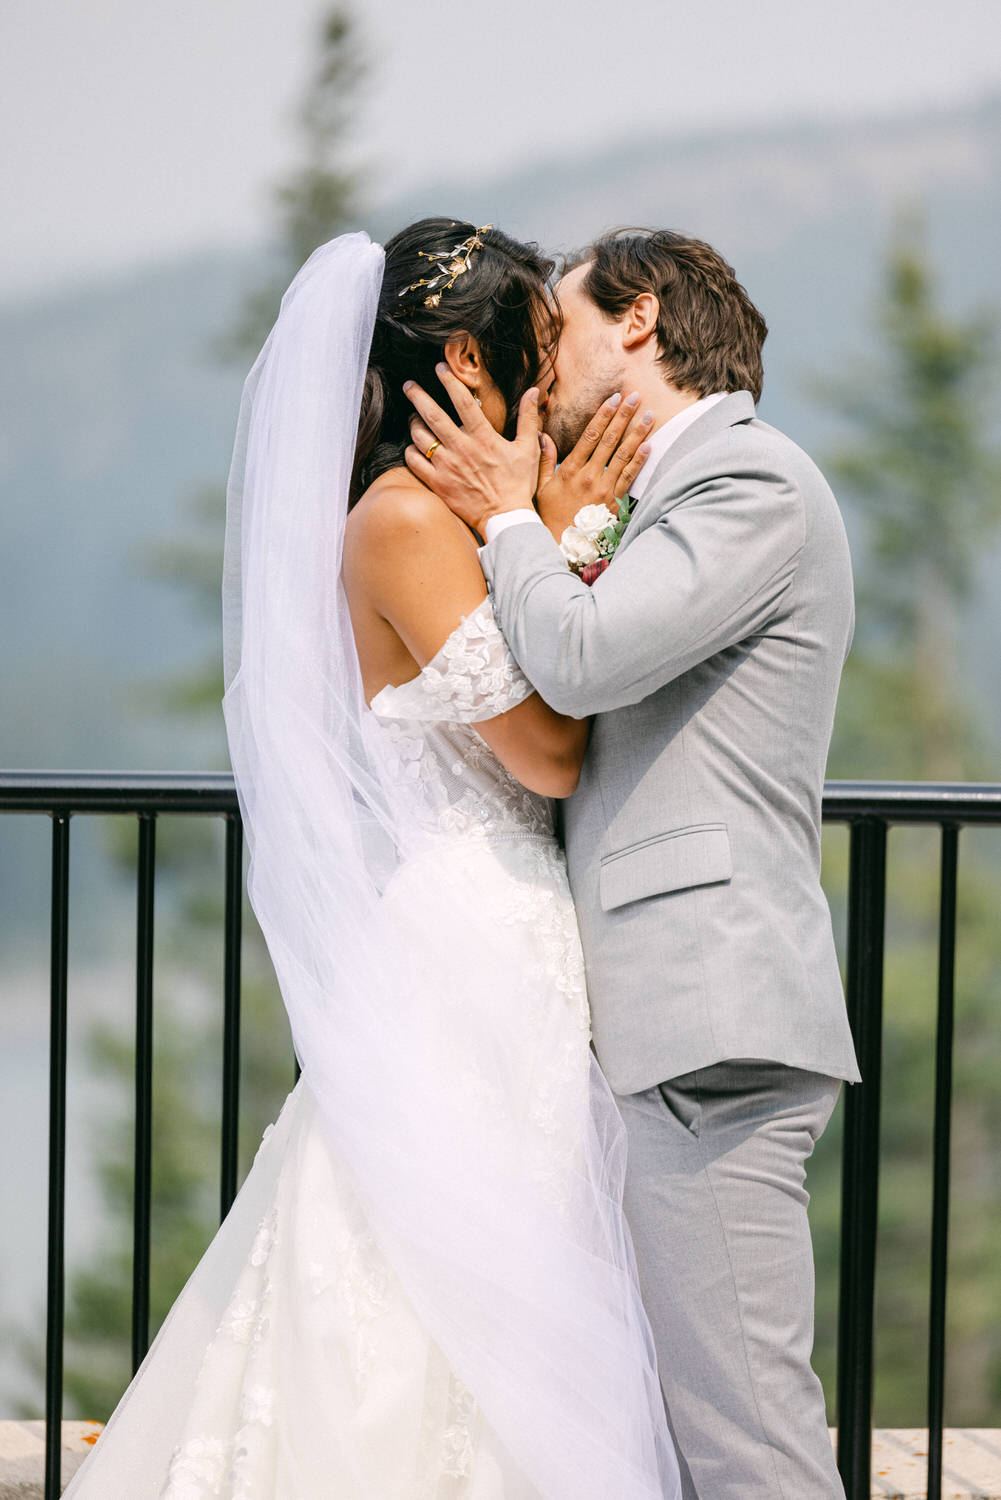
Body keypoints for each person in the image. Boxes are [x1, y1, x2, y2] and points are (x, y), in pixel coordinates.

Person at [64, 222, 680, 1499]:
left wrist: (533, 520)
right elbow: (548, 755)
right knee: (428, 1284)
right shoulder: (400, 522)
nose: (557, 384)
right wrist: (562, 533)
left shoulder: (447, 514)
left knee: (500, 1269)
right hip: (469, 939)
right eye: (540, 350)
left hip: (509, 933)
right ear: (467, 357)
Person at [404, 227, 861, 1499]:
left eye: (560, 333)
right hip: (657, 1020)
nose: (541, 377)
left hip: (703, 1018)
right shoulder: (661, 497)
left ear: (640, 322)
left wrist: (506, 517)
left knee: (748, 1446)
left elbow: (588, 658)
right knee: (671, 1435)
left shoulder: (751, 488)